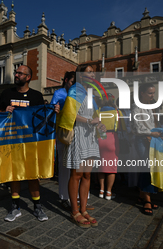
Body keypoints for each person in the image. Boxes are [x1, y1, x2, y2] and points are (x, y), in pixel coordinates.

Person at [0, 65, 60, 222]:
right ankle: (15, 207)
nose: (16, 75)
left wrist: (54, 110)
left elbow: (43, 116)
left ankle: (37, 207)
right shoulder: (6, 93)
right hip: (12, 141)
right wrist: (4, 111)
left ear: (28, 77)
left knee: (33, 175)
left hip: (31, 142)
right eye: (16, 72)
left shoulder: (36, 96)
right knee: (14, 175)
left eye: (20, 73)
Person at [61, 64, 104, 228]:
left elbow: (93, 115)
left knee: (87, 175)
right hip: (79, 134)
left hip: (91, 136)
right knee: (77, 175)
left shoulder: (90, 93)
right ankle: (75, 211)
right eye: (89, 72)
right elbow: (69, 114)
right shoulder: (75, 90)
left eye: (93, 72)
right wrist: (88, 121)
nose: (93, 74)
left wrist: (99, 125)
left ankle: (84, 209)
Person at [131, 83, 162, 216]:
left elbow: (154, 123)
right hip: (142, 139)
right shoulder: (136, 107)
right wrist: (152, 132)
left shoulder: (151, 107)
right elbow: (137, 128)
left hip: (152, 140)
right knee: (147, 168)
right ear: (142, 93)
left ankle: (142, 194)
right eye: (150, 93)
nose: (152, 95)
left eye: (153, 93)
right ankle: (147, 199)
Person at [50, 71, 76, 210]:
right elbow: (51, 111)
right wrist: (55, 109)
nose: (73, 85)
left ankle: (77, 197)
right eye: (72, 82)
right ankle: (64, 197)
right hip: (63, 133)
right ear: (66, 80)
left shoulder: (78, 93)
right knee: (64, 166)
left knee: (77, 166)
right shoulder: (58, 93)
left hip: (77, 132)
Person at [98, 94, 120, 200]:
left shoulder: (98, 111)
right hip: (112, 139)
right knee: (111, 168)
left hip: (100, 138)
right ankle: (109, 192)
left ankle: (101, 190)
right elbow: (122, 126)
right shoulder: (116, 112)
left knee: (101, 166)